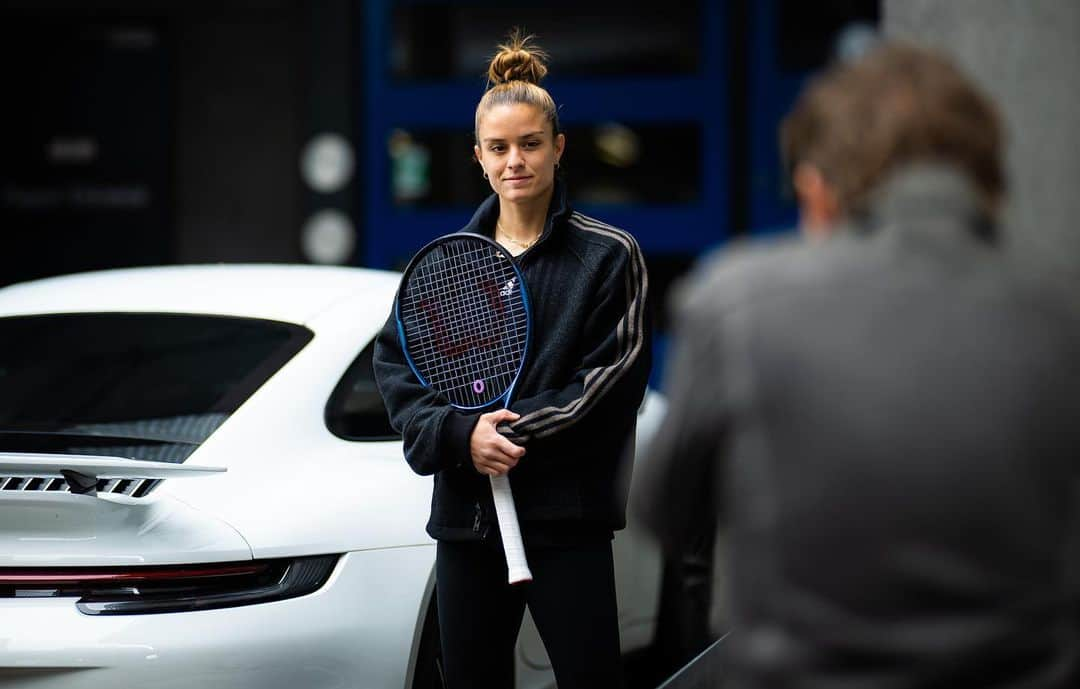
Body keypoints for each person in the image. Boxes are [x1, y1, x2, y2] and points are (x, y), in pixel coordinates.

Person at [637, 42, 1080, 688]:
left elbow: (665, 511)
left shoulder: (735, 304)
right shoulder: (1062, 314)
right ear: (989, 188)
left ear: (817, 191)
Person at [373, 31, 651, 689]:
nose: (515, 160)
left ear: (558, 147)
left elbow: (611, 385)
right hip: (468, 524)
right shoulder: (447, 263)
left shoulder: (609, 255)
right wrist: (459, 435)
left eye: (530, 143)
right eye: (499, 148)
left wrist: (507, 433)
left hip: (565, 521)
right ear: (478, 157)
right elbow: (396, 372)